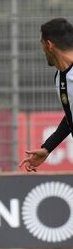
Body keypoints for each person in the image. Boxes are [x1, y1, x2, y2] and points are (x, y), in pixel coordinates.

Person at [19, 18, 73, 171]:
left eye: (42, 44)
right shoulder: (60, 77)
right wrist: (48, 147)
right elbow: (71, 117)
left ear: (49, 45)